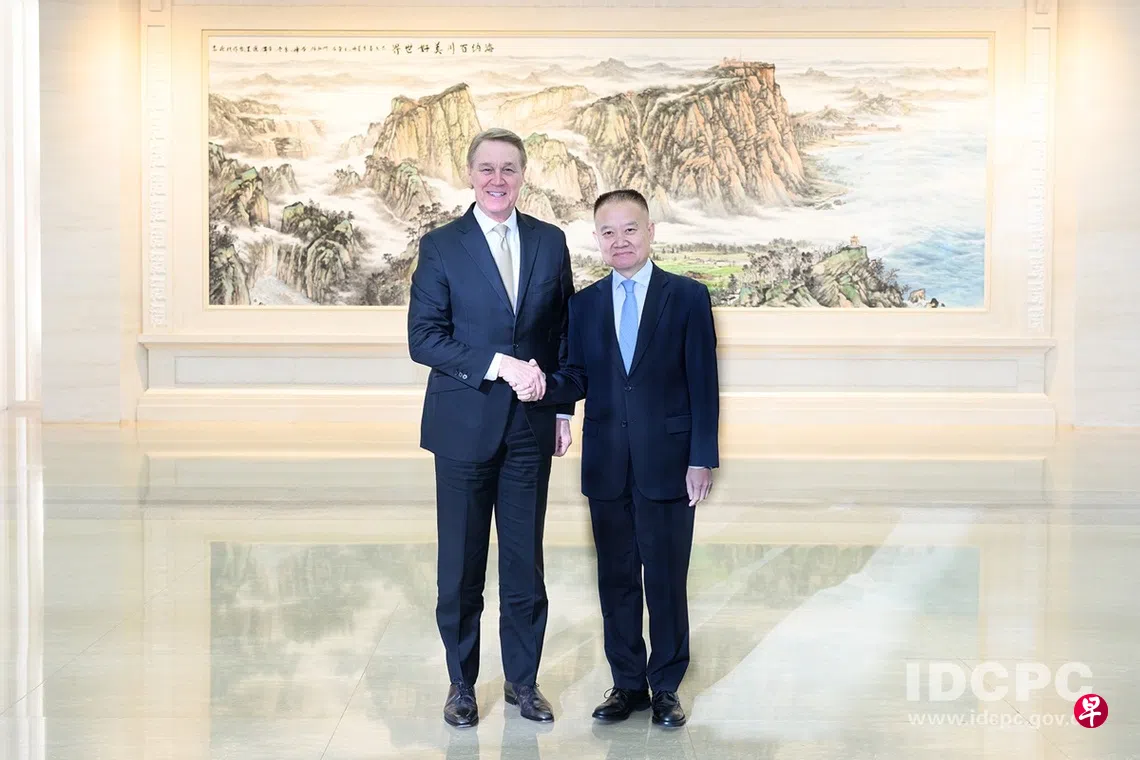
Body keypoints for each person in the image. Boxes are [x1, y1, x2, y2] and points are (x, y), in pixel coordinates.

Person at [520, 188, 719, 728]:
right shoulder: (583, 306)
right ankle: (627, 684)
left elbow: (704, 383)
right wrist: (545, 387)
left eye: (630, 229)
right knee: (616, 580)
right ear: (597, 240)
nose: (620, 240)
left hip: (670, 464)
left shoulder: (687, 297)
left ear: (651, 232)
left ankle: (666, 686)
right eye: (608, 232)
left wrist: (701, 457)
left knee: (666, 580)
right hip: (607, 464)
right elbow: (576, 375)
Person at [406, 127, 575, 728]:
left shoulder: (551, 241)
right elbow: (423, 339)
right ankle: (461, 684)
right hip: (462, 425)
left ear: (523, 175)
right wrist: (497, 364)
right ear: (470, 175)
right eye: (487, 168)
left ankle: (523, 683)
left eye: (508, 168)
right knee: (460, 566)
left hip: (531, 428)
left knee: (525, 565)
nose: (497, 179)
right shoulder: (441, 246)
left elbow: (563, 333)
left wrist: (562, 406)